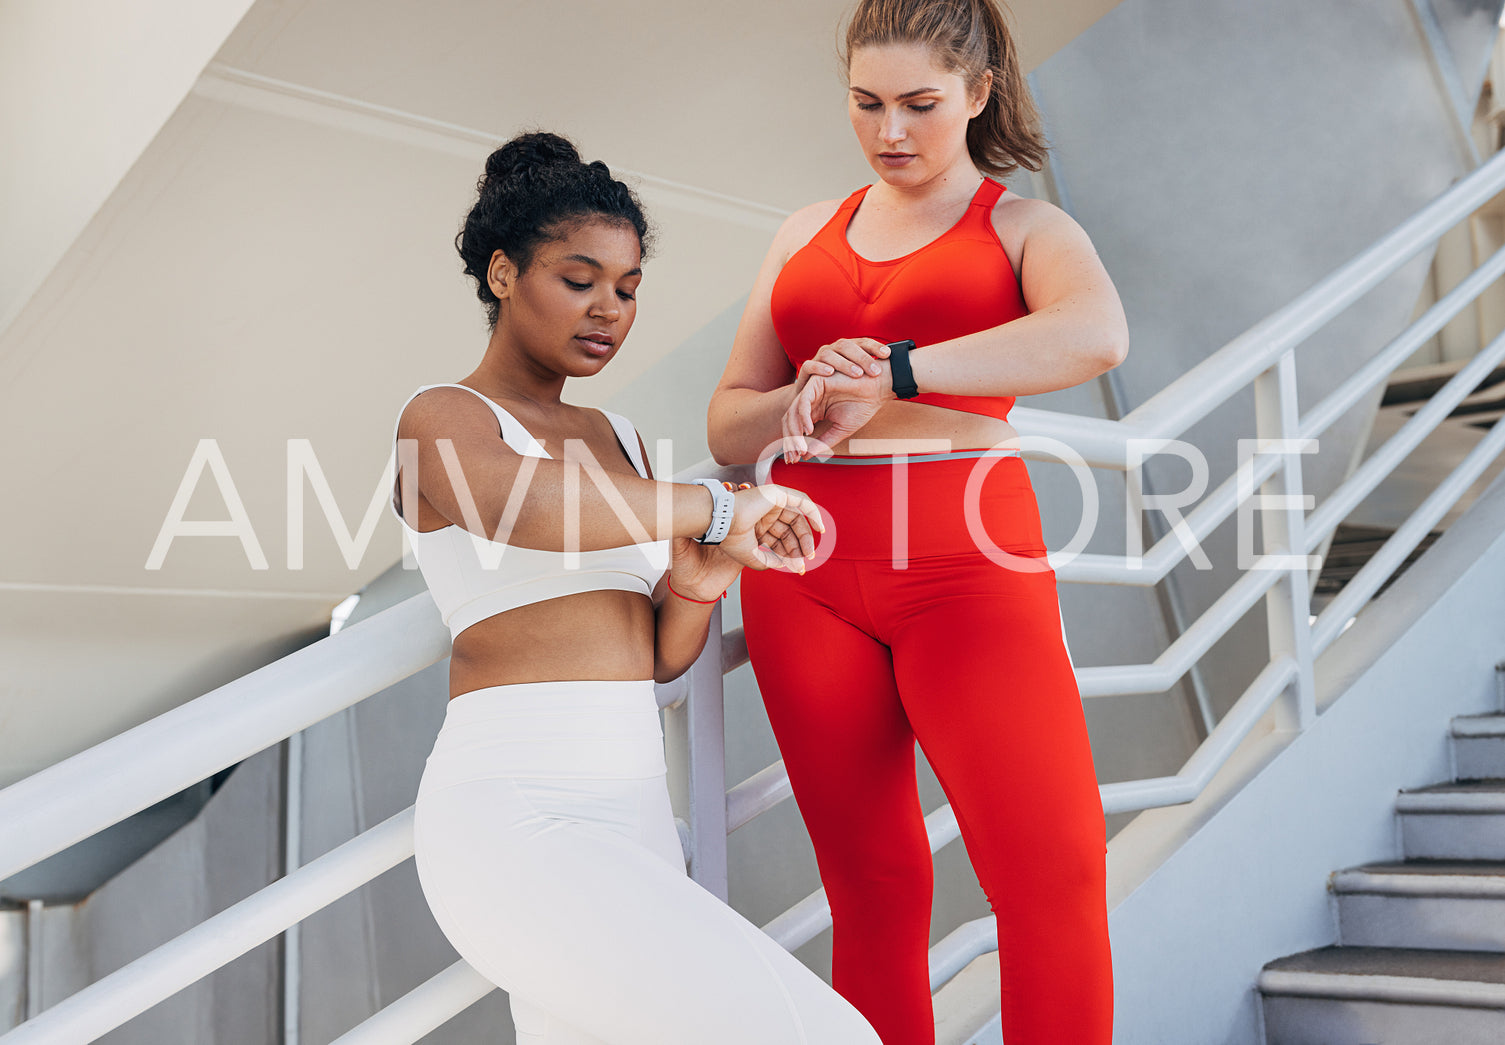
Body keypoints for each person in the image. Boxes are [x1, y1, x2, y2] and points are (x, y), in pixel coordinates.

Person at [393, 131, 881, 1045]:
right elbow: (526, 510)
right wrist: (714, 507)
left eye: (626, 289)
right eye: (578, 280)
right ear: (502, 273)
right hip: (516, 814)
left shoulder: (618, 433)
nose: (607, 310)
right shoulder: (442, 415)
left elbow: (656, 654)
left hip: (636, 811)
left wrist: (704, 575)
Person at [707, 1, 1129, 1042]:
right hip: (802, 575)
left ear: (977, 93)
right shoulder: (801, 232)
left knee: (1050, 878)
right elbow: (726, 421)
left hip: (968, 570)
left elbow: (1095, 334)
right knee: (872, 885)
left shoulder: (1026, 229)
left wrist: (894, 368)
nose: (888, 131)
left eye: (917, 105)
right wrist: (806, 398)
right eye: (865, 104)